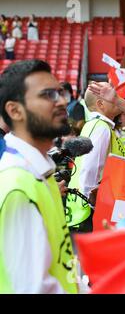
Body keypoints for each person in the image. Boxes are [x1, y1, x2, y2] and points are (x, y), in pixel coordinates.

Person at [0, 60, 77, 293]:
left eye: (61, 93)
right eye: (48, 95)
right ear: (15, 110)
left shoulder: (39, 172)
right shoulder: (17, 187)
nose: (62, 101)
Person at [65, 82, 125, 233]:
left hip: (82, 210)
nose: (116, 98)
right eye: (110, 95)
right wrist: (92, 203)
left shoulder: (95, 125)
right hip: (88, 214)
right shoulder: (101, 127)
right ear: (100, 104)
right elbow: (90, 167)